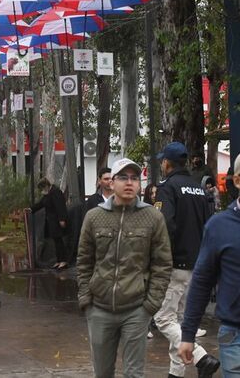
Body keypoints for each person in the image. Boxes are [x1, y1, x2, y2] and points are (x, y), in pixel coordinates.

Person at [77, 157, 172, 378]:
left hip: (136, 309)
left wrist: (151, 304)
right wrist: (85, 299)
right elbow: (84, 260)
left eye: (134, 178)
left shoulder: (153, 217)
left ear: (139, 184)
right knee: (102, 373)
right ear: (111, 183)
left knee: (134, 374)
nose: (129, 182)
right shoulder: (94, 217)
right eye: (123, 177)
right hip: (99, 308)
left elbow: (163, 264)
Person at [153, 142, 220, 378]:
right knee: (178, 322)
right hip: (196, 265)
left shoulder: (167, 188)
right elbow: (209, 226)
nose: (161, 164)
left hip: (173, 265)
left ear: (168, 164)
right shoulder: (198, 189)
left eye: (162, 160)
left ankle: (202, 357)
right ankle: (176, 373)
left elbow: (164, 226)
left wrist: (158, 261)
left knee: (162, 319)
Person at [179, 153, 240, 377]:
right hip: (235, 336)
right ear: (238, 180)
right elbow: (202, 282)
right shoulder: (219, 226)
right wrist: (188, 335)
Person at [31, 177, 69, 270]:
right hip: (51, 222)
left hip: (57, 221)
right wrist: (30, 209)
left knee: (59, 241)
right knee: (56, 241)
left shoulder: (56, 192)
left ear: (46, 186)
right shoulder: (48, 194)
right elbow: (41, 204)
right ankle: (59, 260)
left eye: (42, 188)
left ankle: (63, 260)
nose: (42, 191)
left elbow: (60, 206)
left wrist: (62, 219)